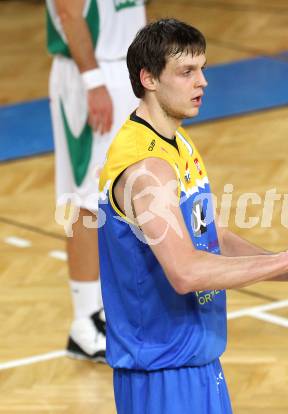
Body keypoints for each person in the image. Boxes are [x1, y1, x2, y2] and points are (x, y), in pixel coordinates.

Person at [98, 18, 288, 413]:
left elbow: (211, 238)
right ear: (148, 78)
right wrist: (286, 259)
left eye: (202, 68)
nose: (202, 81)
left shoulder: (178, 143)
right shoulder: (147, 168)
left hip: (199, 365)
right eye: (187, 72)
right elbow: (185, 272)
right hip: (162, 379)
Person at [46, 0, 146, 362]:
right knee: (88, 198)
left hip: (128, 70)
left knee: (128, 192)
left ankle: (111, 309)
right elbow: (69, 13)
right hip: (91, 75)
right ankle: (85, 322)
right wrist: (93, 82)